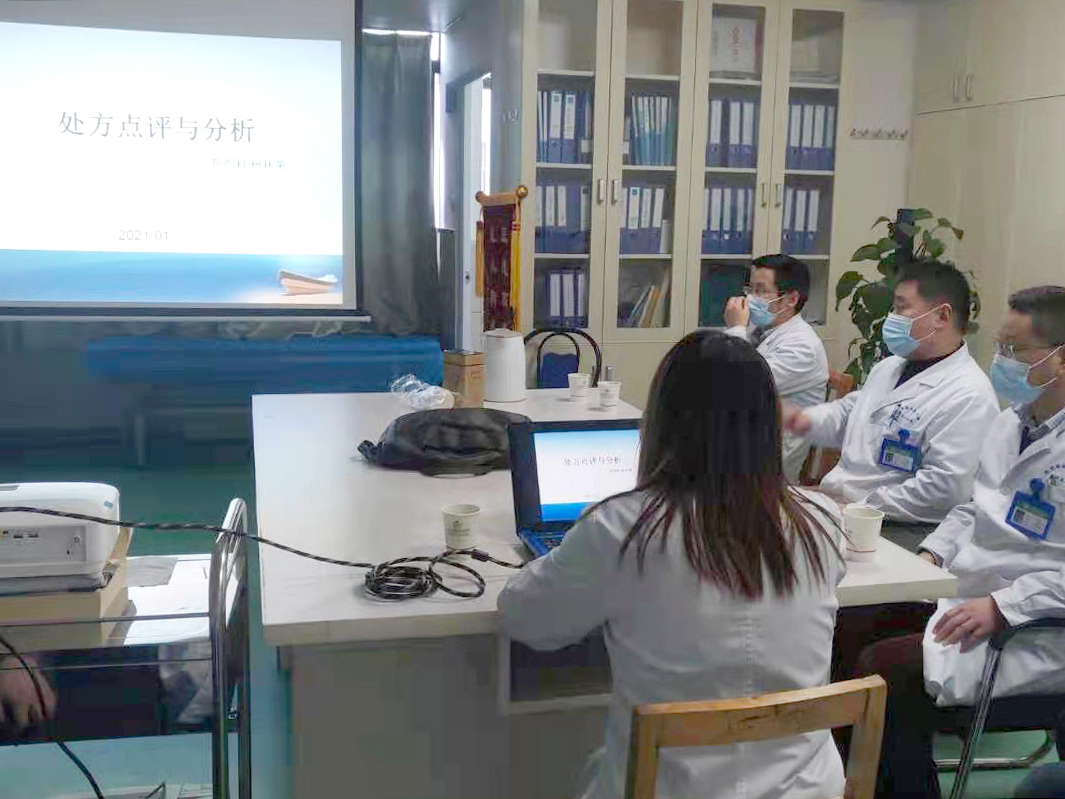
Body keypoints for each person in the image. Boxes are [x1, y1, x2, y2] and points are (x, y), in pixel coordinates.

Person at [499, 331, 846, 799]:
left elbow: (526, 618)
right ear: (768, 423)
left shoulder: (622, 529)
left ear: (662, 421)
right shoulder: (822, 520)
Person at [842, 286, 1065, 799]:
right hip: (966, 595)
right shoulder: (1011, 424)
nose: (1001, 361)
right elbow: (973, 507)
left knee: (886, 671)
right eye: (1000, 347)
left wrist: (1005, 606)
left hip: (1030, 628)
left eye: (1015, 350)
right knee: (850, 627)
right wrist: (930, 555)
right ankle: (855, 785)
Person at [784, 261, 1000, 523]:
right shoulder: (890, 367)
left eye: (901, 308)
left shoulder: (969, 395)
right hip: (840, 503)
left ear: (942, 316)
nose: (892, 317)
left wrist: (860, 508)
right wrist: (804, 419)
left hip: (896, 525)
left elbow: (944, 490)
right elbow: (853, 413)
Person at [723, 255, 829, 482]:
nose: (750, 298)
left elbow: (742, 383)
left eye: (760, 291)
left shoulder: (802, 346)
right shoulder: (760, 330)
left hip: (768, 463)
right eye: (749, 289)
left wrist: (736, 330)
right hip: (742, 438)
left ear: (791, 299)